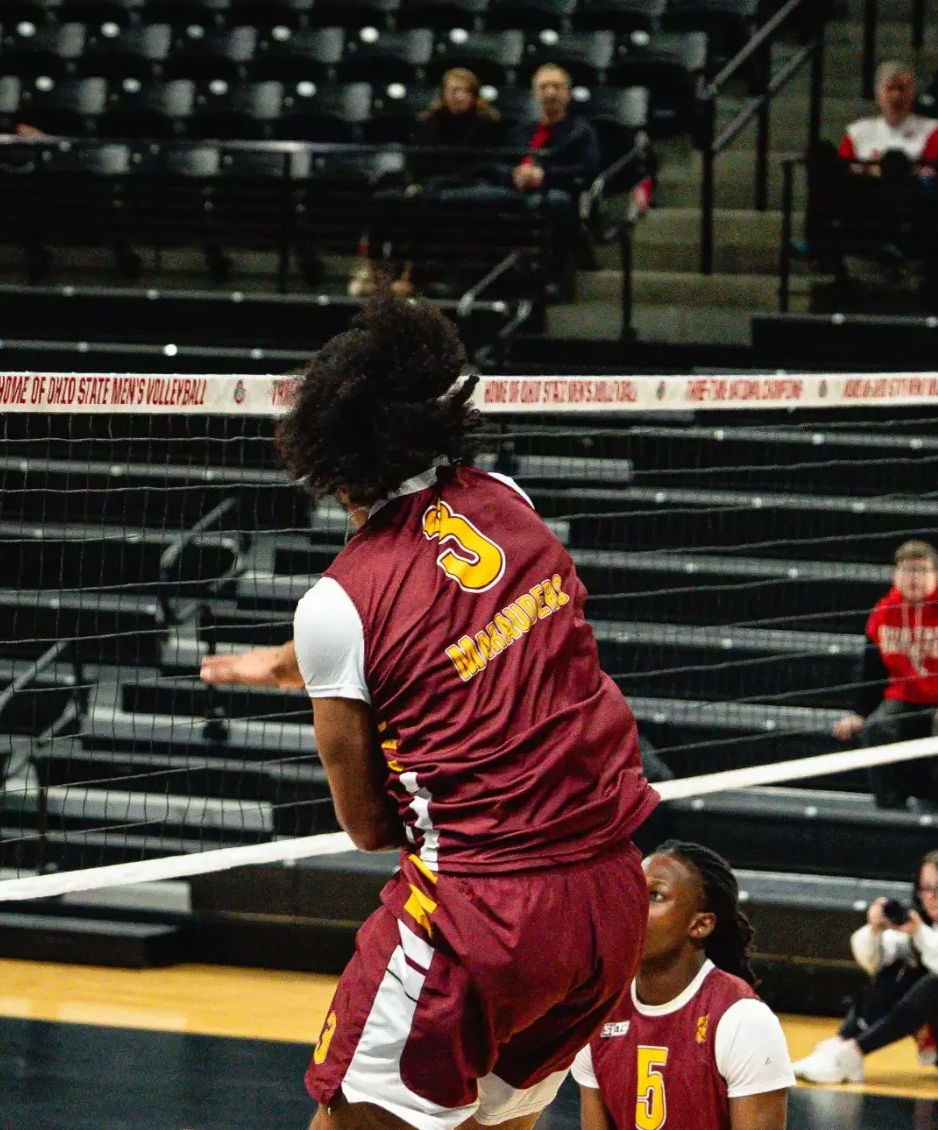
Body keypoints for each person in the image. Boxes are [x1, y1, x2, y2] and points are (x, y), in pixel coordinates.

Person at [200, 298, 658, 1130]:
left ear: (325, 458)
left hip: (483, 915)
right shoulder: (506, 498)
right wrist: (297, 663)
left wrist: (331, 685)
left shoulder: (338, 598)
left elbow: (371, 828)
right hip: (611, 901)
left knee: (345, 1118)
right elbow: (454, 616)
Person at [573, 842, 793, 1129]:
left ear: (700, 925)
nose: (632, 904)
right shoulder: (599, 1013)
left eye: (655, 895)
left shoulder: (743, 1021)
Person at [795, 850, 938, 1084]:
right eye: (925, 888)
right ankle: (842, 1045)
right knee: (898, 967)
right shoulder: (924, 928)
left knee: (936, 983)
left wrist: (920, 934)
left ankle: (853, 1052)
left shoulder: (924, 933)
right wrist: (874, 931)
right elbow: (874, 964)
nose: (932, 897)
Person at [830, 540, 938, 811]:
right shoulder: (883, 613)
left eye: (921, 571)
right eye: (906, 571)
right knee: (876, 727)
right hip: (906, 696)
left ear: (937, 575)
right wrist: (859, 713)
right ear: (894, 575)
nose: (913, 578)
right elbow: (872, 670)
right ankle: (890, 806)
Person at [498, 64, 602, 280]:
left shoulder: (580, 131)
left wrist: (545, 175)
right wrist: (515, 174)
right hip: (517, 190)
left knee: (553, 202)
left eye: (557, 86)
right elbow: (500, 163)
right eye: (544, 87)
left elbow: (589, 169)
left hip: (558, 191)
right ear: (535, 93)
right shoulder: (520, 130)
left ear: (568, 93)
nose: (550, 93)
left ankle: (553, 275)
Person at [840, 63, 938, 179]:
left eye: (902, 88)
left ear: (913, 92)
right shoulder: (857, 133)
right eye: (889, 88)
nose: (896, 96)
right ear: (878, 93)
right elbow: (841, 176)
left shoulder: (933, 131)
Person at [410, 68, 507, 190]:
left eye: (466, 91)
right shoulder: (429, 122)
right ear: (443, 94)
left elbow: (489, 163)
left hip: (476, 183)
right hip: (434, 182)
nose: (460, 96)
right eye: (454, 91)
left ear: (474, 96)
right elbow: (420, 161)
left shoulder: (489, 122)